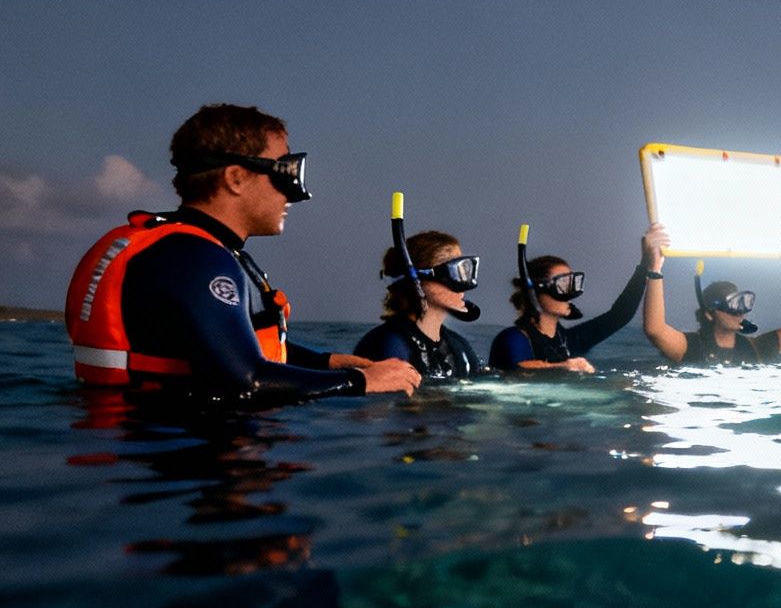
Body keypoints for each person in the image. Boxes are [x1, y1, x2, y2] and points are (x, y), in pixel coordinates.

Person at [65, 104, 420, 403]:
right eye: (285, 172)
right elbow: (245, 380)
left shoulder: (169, 247)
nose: (292, 194)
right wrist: (361, 383)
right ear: (235, 178)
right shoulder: (196, 259)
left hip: (132, 450)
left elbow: (224, 344)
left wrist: (329, 363)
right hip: (180, 462)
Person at [642, 233, 781, 364]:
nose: (741, 312)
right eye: (732, 306)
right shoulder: (690, 347)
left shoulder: (757, 349)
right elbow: (655, 329)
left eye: (744, 304)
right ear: (710, 314)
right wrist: (654, 268)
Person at [490, 225, 668, 372]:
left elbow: (620, 315)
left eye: (573, 284)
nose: (571, 293)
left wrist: (647, 265)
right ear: (535, 291)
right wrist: (563, 367)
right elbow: (517, 368)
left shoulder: (566, 341)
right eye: (564, 285)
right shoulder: (513, 339)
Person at [354, 230, 484, 380]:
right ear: (419, 280)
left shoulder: (459, 346)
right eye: (457, 272)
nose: (466, 284)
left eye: (466, 272)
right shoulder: (387, 345)